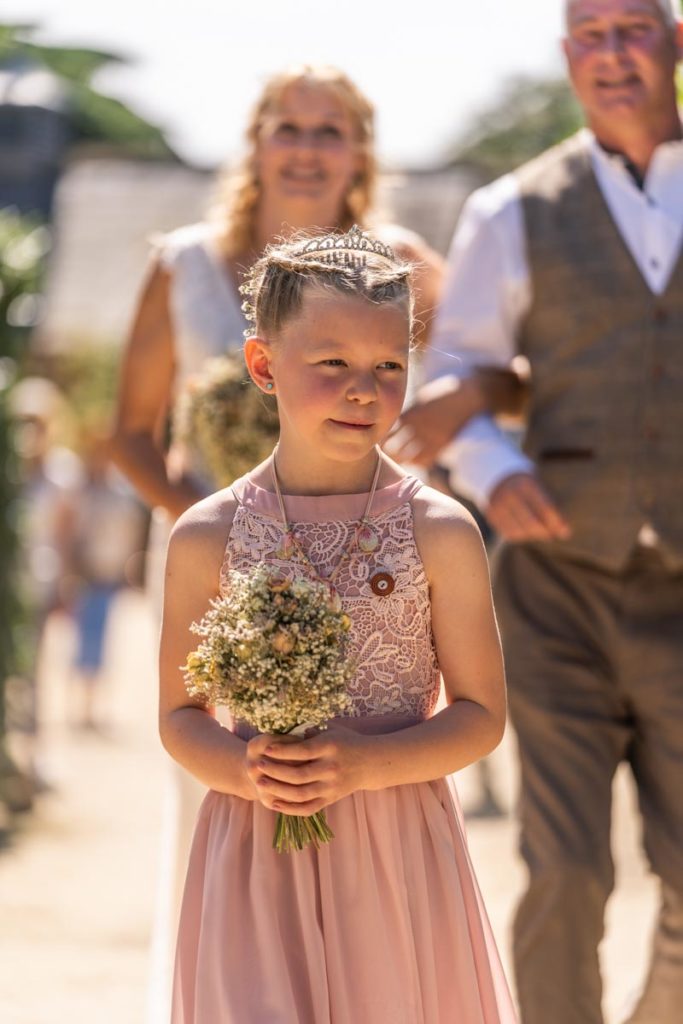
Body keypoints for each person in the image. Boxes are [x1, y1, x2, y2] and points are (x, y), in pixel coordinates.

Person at [390, 3, 683, 1023]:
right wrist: (488, 463)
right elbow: (459, 371)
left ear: (673, 42)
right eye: (589, 35)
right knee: (563, 868)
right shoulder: (511, 208)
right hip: (556, 581)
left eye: (631, 30)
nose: (611, 53)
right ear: (567, 61)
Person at [159, 226, 517, 1023]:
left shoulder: (440, 529)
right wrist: (247, 770)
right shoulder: (207, 535)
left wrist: (363, 768)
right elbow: (180, 720)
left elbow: (481, 717)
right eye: (333, 364)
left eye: (389, 366)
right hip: (254, 854)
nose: (365, 389)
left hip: (396, 856)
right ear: (262, 366)